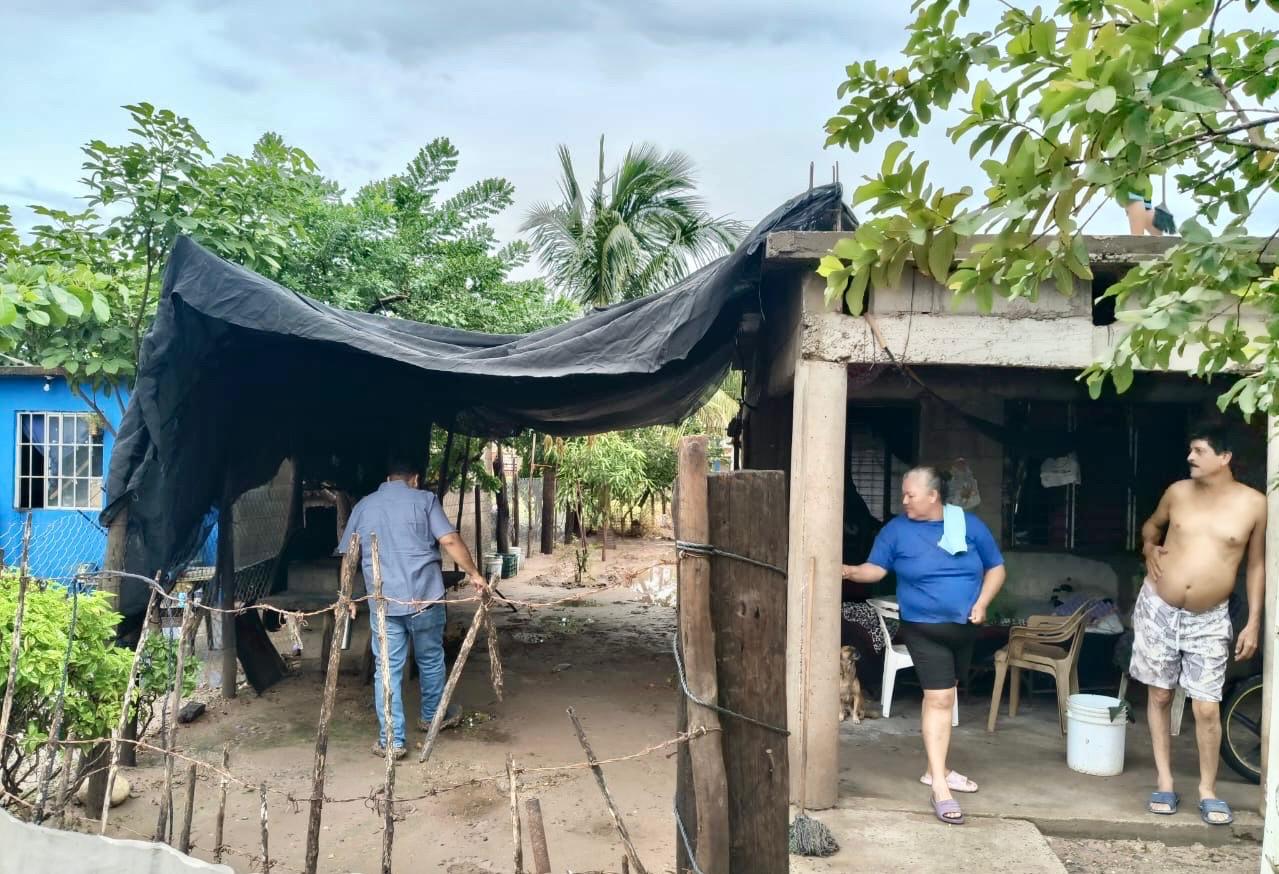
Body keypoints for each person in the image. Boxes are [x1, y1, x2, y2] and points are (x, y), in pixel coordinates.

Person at [841, 466, 1006, 825]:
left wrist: (982, 603)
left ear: (933, 496)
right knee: (940, 698)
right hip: (922, 628)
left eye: (909, 495)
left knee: (948, 696)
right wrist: (851, 571)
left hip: (963, 629)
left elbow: (996, 568)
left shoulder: (968, 525)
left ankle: (938, 769)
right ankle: (940, 789)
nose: (903, 501)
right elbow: (877, 569)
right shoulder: (896, 530)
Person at [1134, 424, 1265, 826]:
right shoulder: (1177, 493)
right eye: (1190, 450)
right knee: (1159, 696)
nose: (1190, 458)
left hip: (1210, 617)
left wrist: (1254, 621)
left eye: (1198, 451)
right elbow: (1151, 526)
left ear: (1223, 458)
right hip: (1159, 606)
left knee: (1206, 707)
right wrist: (1148, 547)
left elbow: (1257, 564)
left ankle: (1208, 789)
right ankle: (1165, 780)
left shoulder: (1255, 504)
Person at [338, 458, 488, 759]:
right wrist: (474, 573)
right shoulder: (425, 500)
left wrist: (346, 597)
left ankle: (392, 741)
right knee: (430, 659)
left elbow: (349, 557)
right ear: (415, 479)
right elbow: (448, 539)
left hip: (384, 602)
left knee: (387, 670)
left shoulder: (364, 506)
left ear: (387, 477)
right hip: (425, 598)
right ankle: (432, 717)